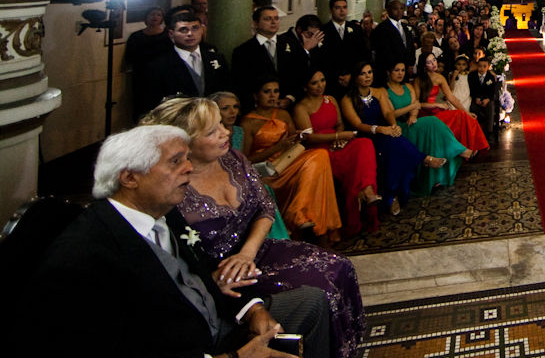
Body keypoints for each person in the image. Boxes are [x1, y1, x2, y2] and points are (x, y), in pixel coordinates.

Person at [31, 124, 332, 358]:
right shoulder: (85, 255)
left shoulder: (167, 213)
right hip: (191, 345)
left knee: (312, 301)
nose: (188, 168)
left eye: (186, 159)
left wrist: (252, 309)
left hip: (219, 322)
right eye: (176, 161)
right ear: (129, 178)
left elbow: (204, 275)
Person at [140, 98, 364, 358]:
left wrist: (248, 252)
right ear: (185, 144)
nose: (227, 133)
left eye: (222, 125)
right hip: (226, 274)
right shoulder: (171, 190)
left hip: (258, 249)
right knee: (321, 290)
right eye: (213, 131)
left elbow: (265, 208)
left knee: (340, 266)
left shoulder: (233, 159)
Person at [240, 77, 342, 241]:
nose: (273, 96)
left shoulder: (283, 114)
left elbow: (296, 141)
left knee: (320, 156)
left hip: (289, 161)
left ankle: (301, 213)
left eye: (276, 91)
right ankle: (300, 217)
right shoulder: (248, 122)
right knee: (315, 165)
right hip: (268, 170)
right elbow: (246, 159)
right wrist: (277, 147)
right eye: (267, 92)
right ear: (256, 96)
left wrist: (296, 140)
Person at [341, 61, 443, 215]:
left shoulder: (378, 92)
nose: (367, 76)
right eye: (363, 73)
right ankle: (424, 160)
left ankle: (392, 196)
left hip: (385, 132)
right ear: (355, 77)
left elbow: (388, 113)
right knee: (393, 145)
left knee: (396, 140)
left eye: (369, 72)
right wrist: (380, 129)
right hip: (366, 138)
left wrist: (394, 126)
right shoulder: (347, 99)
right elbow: (358, 125)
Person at [291, 68, 381, 236]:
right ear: (305, 87)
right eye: (314, 83)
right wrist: (337, 136)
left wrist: (340, 138)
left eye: (322, 81)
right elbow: (308, 138)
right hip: (320, 150)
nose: (320, 86)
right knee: (343, 161)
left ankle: (368, 191)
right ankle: (360, 196)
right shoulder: (301, 107)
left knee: (364, 144)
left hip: (338, 143)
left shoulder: (331, 99)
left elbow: (339, 123)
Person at [208, 90, 290, 239]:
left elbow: (245, 161)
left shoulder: (239, 131)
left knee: (262, 187)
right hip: (220, 181)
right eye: (225, 108)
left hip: (241, 178)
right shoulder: (209, 136)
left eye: (235, 107)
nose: (232, 112)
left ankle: (276, 236)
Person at [383, 59, 468, 195]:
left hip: (411, 121)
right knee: (432, 122)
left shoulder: (407, 87)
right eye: (396, 70)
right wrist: (412, 108)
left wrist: (413, 114)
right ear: (389, 72)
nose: (400, 74)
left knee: (433, 127)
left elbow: (416, 105)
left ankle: (438, 176)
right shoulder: (384, 91)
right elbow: (391, 113)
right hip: (397, 127)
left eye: (402, 70)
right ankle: (459, 150)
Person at [142, 8, 232, 116]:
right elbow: (152, 103)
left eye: (195, 28)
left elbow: (226, 92)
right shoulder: (159, 65)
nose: (190, 34)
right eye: (183, 30)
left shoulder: (216, 58)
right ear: (171, 34)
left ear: (202, 30)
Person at [415, 51, 489, 154]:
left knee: (463, 116)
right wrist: (436, 104)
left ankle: (473, 146)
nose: (434, 64)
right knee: (440, 124)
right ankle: (460, 151)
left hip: (438, 112)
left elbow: (451, 97)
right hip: (425, 114)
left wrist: (466, 112)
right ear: (423, 65)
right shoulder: (418, 80)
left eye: (434, 60)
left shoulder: (439, 77)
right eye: (429, 62)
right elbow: (417, 104)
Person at [232, 6, 285, 109]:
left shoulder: (290, 44)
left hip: (286, 105)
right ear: (256, 23)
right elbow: (241, 83)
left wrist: (289, 98)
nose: (273, 22)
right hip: (257, 108)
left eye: (276, 18)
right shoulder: (243, 51)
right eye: (267, 19)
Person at [124, 5, 171, 110]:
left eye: (158, 15)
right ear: (146, 17)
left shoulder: (167, 35)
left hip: (163, 73)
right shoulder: (136, 36)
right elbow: (130, 57)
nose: (155, 17)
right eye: (152, 14)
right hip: (142, 74)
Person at [320, 0, 371, 84]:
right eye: (338, 8)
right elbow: (322, 60)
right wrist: (336, 76)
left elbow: (363, 54)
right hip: (332, 81)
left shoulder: (356, 29)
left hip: (354, 79)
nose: (342, 11)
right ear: (331, 10)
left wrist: (352, 75)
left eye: (344, 7)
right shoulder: (323, 31)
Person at [468, 53, 501, 142]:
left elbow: (492, 90)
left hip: (487, 98)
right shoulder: (472, 76)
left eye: (484, 66)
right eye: (480, 66)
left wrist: (488, 99)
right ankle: (475, 131)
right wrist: (476, 98)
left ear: (488, 67)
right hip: (476, 98)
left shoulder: (490, 77)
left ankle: (489, 132)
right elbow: (471, 88)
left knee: (490, 107)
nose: (482, 69)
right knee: (473, 107)